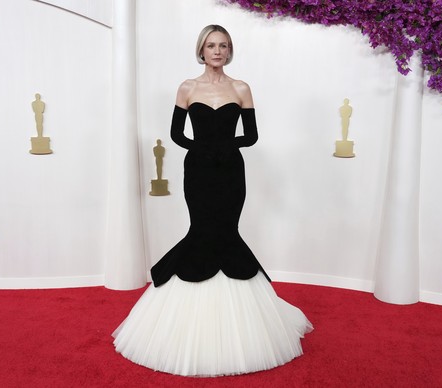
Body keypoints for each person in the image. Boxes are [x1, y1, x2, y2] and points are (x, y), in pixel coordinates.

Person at [112, 24, 312, 377]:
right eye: (210, 45)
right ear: (201, 51)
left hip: (232, 172)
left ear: (229, 51)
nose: (217, 51)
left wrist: (226, 147)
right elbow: (176, 133)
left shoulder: (241, 88)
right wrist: (200, 149)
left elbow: (250, 135)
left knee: (226, 230)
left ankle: (242, 323)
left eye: (223, 45)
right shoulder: (187, 88)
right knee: (201, 229)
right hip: (199, 172)